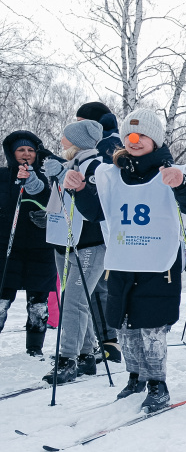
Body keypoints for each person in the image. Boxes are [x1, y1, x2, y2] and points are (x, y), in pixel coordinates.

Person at [67, 108, 186, 411]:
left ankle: (158, 383)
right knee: (124, 324)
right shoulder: (111, 174)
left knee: (152, 325)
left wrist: (181, 184)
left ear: (155, 139)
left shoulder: (171, 171)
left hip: (158, 262)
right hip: (123, 259)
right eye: (129, 135)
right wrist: (79, 191)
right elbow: (97, 212)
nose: (134, 141)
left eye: (142, 136)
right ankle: (135, 376)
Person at [40, 120, 109, 383]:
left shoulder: (97, 167)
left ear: (79, 140)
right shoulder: (67, 164)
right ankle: (85, 354)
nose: (61, 140)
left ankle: (67, 359)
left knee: (74, 300)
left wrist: (60, 176)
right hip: (64, 241)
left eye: (66, 136)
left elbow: (94, 203)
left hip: (89, 244)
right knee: (73, 299)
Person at [0, 130, 57, 356]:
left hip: (40, 247)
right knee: (3, 297)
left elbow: (54, 201)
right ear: (12, 153)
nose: (26, 154)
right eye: (21, 150)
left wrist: (48, 217)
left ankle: (35, 348)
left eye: (30, 150)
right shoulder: (3, 175)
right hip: (7, 246)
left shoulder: (46, 176)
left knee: (38, 302)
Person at [75, 101, 123, 361]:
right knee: (94, 288)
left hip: (104, 228)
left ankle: (110, 342)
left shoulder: (108, 144)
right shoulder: (100, 143)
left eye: (81, 121)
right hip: (94, 225)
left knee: (99, 288)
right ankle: (100, 341)